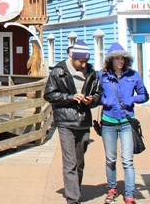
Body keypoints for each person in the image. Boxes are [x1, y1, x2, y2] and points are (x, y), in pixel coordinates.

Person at [44, 40, 101, 204]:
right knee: (70, 162)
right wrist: (70, 97)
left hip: (83, 120)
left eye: (86, 61)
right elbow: (49, 95)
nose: (83, 64)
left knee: (79, 161)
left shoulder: (91, 73)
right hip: (65, 120)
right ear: (73, 58)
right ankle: (72, 199)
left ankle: (75, 188)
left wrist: (91, 100)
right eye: (80, 61)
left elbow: (98, 94)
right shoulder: (58, 71)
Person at [99, 43, 149, 204]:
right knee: (110, 158)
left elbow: (144, 95)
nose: (120, 61)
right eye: (116, 58)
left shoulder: (133, 75)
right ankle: (111, 188)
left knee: (127, 160)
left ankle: (129, 194)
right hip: (108, 122)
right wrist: (105, 100)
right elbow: (95, 95)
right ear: (110, 60)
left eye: (123, 58)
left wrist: (132, 99)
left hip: (127, 122)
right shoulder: (103, 76)